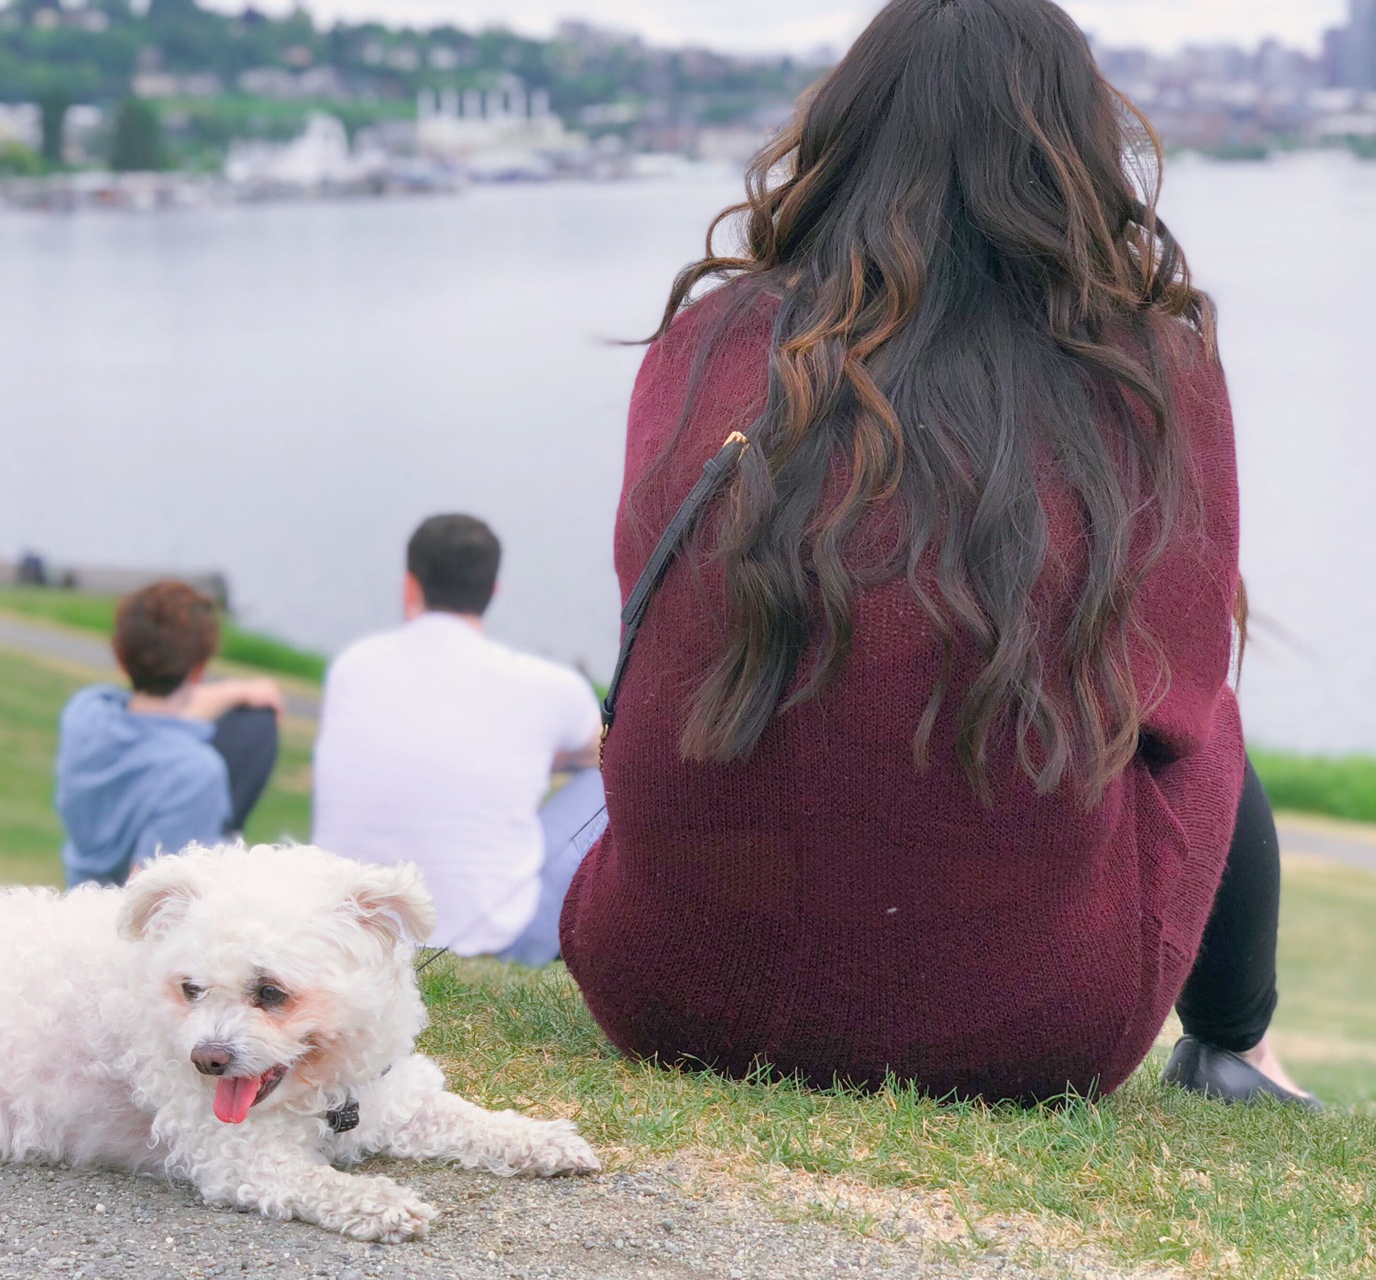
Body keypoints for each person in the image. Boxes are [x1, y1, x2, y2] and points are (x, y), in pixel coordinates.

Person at [560, 0, 1313, 1106]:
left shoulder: (702, 340)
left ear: (846, 131)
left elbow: (658, 615)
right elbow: (1179, 698)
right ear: (1075, 150)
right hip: (1028, 1031)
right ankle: (1237, 1046)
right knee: (1202, 704)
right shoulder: (1147, 362)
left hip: (665, 988)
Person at [312, 515, 603, 963]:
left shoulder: (354, 665)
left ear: (411, 586)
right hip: (498, 939)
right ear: (493, 593)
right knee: (609, 778)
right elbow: (602, 752)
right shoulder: (550, 686)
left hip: (348, 924)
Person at [56, 579, 283, 887]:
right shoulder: (195, 773)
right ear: (199, 670)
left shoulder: (85, 713)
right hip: (117, 921)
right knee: (257, 726)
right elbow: (148, 892)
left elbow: (158, 714)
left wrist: (239, 691)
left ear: (120, 658)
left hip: (78, 895)